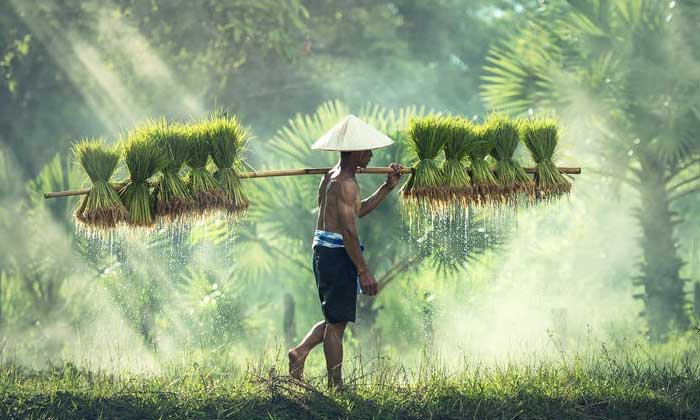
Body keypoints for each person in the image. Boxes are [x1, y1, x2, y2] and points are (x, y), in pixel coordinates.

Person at [287, 115, 403, 389]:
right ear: (356, 152)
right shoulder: (346, 184)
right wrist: (363, 270)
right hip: (336, 254)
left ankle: (300, 352)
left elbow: (357, 211)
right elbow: (349, 232)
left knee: (333, 318)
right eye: (368, 150)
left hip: (323, 251)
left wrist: (387, 187)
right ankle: (335, 385)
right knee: (337, 326)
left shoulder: (332, 176)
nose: (372, 155)